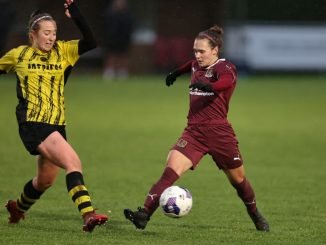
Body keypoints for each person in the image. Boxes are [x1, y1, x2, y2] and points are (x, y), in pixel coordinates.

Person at [124, 25, 270, 232]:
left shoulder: (225, 68)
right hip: (193, 132)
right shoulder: (195, 65)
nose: (197, 55)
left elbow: (227, 83)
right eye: (195, 50)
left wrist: (210, 86)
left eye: (202, 51)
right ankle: (144, 214)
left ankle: (255, 215)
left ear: (215, 50)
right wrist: (175, 73)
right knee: (169, 172)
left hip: (220, 133)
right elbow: (189, 66)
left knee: (238, 181)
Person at [0, 0, 108, 232]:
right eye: (46, 33)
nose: (51, 37)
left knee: (46, 180)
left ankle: (17, 208)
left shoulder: (63, 51)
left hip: (57, 123)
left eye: (54, 33)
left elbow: (92, 42)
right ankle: (88, 215)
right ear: (33, 35)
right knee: (73, 163)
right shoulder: (19, 55)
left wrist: (77, 16)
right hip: (33, 122)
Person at [102, 0, 133, 80]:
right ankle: (109, 72)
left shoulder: (127, 15)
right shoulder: (110, 14)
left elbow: (130, 27)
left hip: (124, 39)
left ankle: (122, 72)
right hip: (112, 38)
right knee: (111, 54)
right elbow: (106, 26)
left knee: (123, 55)